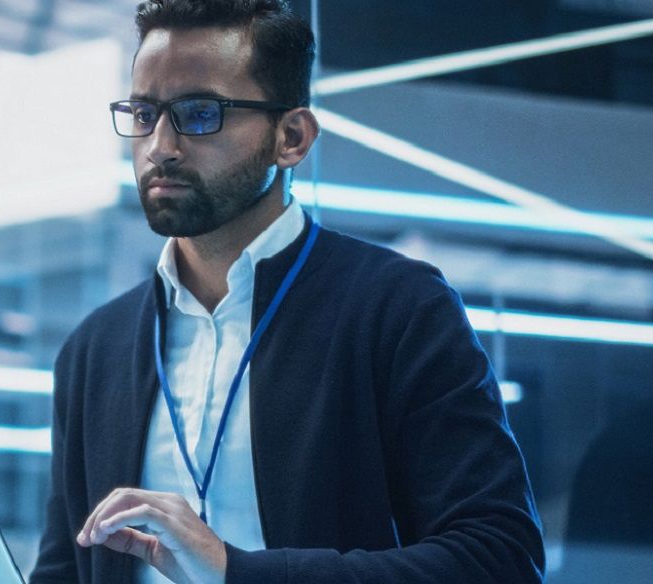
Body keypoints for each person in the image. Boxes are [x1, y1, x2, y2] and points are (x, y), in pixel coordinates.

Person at [27, 1, 544, 582]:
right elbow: (63, 570)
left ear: (292, 137)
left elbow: (499, 558)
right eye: (144, 113)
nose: (161, 145)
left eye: (200, 113)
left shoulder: (396, 307)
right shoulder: (96, 348)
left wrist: (236, 571)